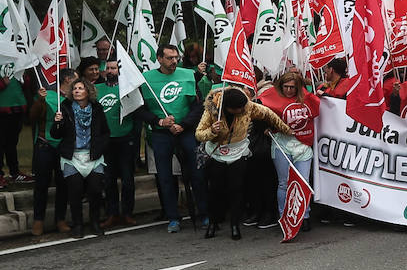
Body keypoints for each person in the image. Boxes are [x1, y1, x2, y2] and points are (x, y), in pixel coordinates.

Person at [196, 86, 292, 239]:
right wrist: (212, 131)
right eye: (237, 109)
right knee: (215, 190)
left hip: (238, 152)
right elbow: (199, 134)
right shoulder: (212, 110)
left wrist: (286, 130)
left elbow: (269, 115)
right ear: (228, 107)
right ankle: (213, 223)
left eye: (243, 108)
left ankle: (235, 224)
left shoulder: (248, 106)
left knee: (237, 189)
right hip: (217, 154)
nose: (242, 111)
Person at [135, 44, 206, 233]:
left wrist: (184, 124)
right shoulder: (146, 80)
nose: (174, 61)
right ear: (159, 59)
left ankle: (205, 213)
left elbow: (198, 106)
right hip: (161, 135)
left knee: (197, 173)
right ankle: (173, 217)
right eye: (169, 58)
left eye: (176, 57)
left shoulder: (187, 75)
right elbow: (139, 109)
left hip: (186, 131)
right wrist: (159, 121)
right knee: (165, 177)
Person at [258, 70, 320, 226]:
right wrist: (268, 128)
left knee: (303, 182)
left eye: (292, 87)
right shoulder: (272, 98)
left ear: (298, 87)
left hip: (303, 146)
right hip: (281, 145)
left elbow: (317, 111)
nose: (288, 90)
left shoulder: (307, 99)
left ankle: (304, 216)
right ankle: (283, 217)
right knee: (283, 183)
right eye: (285, 86)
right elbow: (260, 114)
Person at [50, 78, 109, 237]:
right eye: (74, 88)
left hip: (93, 156)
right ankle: (78, 225)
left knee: (95, 190)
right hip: (72, 157)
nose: (76, 90)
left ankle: (95, 222)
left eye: (80, 88)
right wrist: (57, 123)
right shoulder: (65, 108)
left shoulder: (97, 108)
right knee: (74, 191)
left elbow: (105, 132)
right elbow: (55, 134)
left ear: (88, 91)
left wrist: (99, 148)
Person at [28, 67, 76, 235]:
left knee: (63, 184)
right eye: (75, 79)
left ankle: (60, 219)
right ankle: (38, 220)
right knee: (41, 184)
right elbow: (33, 117)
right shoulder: (47, 95)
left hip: (64, 147)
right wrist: (40, 101)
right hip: (46, 145)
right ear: (67, 80)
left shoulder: (75, 99)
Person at [95, 57, 136, 228]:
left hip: (125, 138)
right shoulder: (96, 89)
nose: (111, 71)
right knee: (108, 179)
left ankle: (127, 213)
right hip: (106, 140)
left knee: (127, 179)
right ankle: (112, 213)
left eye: (114, 68)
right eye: (108, 68)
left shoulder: (128, 89)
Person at [0, 54, 31, 189]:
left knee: (13, 142)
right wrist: (0, 84)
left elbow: (25, 82)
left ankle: (14, 172)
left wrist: (24, 78)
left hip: (17, 105)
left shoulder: (16, 56)